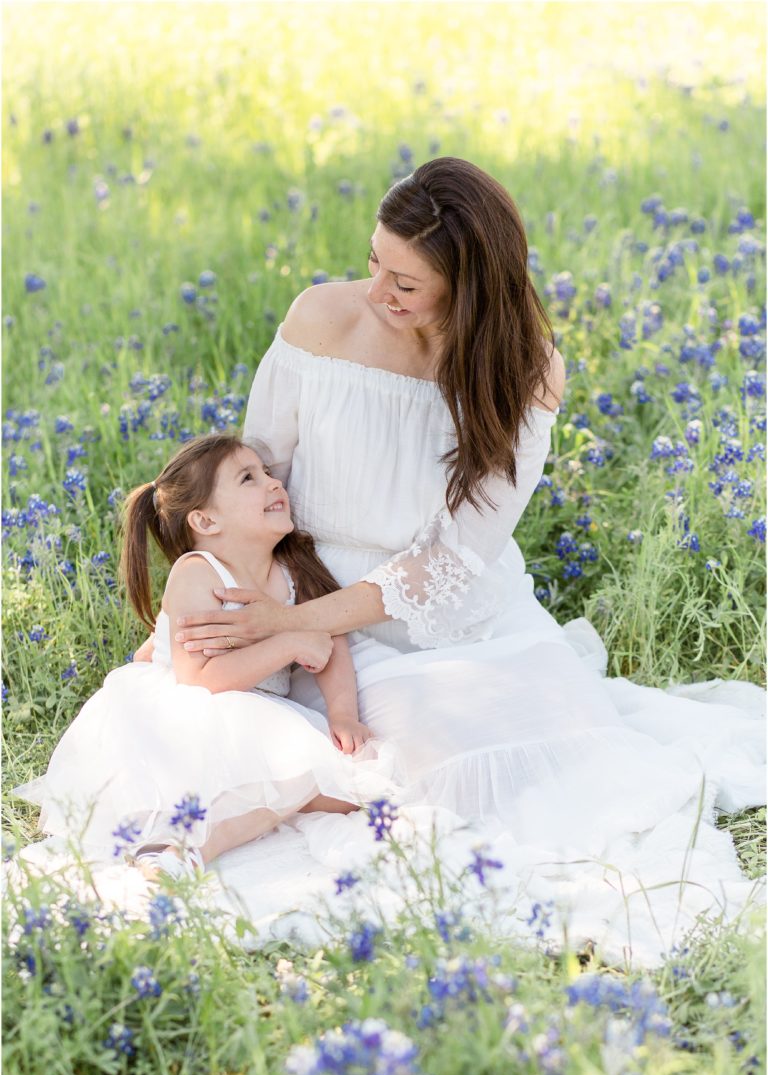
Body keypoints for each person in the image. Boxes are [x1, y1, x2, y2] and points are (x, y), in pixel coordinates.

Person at [157, 158, 761, 962]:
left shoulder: (525, 369)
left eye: (405, 282)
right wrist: (224, 598)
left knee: (522, 778)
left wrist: (295, 620)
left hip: (450, 614)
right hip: (312, 592)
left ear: (468, 287)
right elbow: (259, 470)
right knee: (355, 752)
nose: (378, 291)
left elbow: (448, 563)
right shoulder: (320, 321)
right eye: (374, 261)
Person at [15, 434, 400, 878]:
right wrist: (290, 642)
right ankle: (192, 845)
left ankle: (214, 829)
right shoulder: (198, 573)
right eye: (248, 478)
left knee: (350, 789)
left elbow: (332, 642)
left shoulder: (294, 569)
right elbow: (198, 679)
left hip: (257, 713)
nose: (274, 484)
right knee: (307, 777)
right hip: (184, 715)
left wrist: (343, 713)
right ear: (206, 519)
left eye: (269, 473)